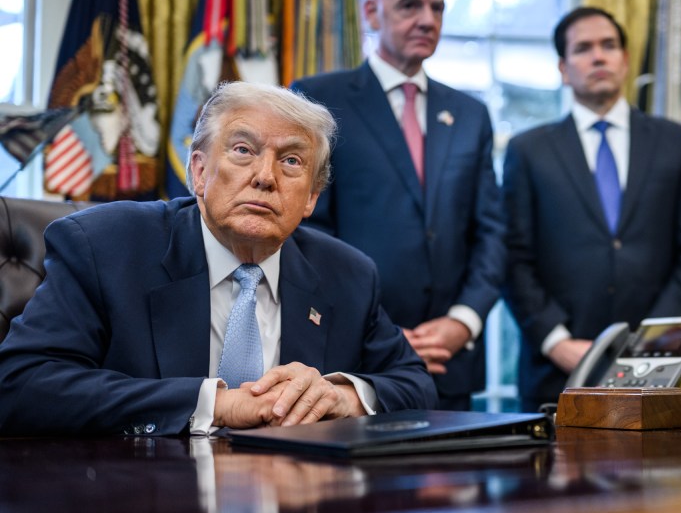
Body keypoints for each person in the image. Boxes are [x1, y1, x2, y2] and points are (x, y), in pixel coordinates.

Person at [0, 81, 438, 435]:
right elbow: (20, 384)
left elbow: (415, 384)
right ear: (199, 171)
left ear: (311, 198)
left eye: (290, 161)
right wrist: (217, 405)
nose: (265, 178)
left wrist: (341, 396)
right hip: (139, 511)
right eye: (243, 150)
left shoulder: (348, 274)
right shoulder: (103, 246)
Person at [291, 0, 504, 411]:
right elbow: (305, 228)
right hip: (351, 357)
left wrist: (463, 321)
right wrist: (379, 325)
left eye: (437, 8)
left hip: (451, 359)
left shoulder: (470, 114)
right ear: (372, 12)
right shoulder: (317, 100)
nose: (427, 19)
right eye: (410, 5)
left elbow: (492, 232)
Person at [502, 6, 681, 411]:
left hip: (662, 367)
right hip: (559, 372)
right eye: (583, 49)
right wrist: (555, 341)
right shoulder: (529, 151)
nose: (598, 56)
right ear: (564, 69)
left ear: (625, 60)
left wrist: (658, 336)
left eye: (609, 46)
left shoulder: (678, 144)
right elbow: (513, 256)